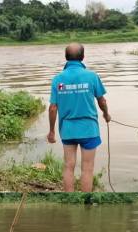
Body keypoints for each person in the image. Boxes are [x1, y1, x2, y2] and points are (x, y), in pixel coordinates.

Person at [47, 43, 111, 192]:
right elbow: (102, 101)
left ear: (66, 57)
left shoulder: (58, 79)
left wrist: (51, 131)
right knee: (87, 169)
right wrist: (106, 114)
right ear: (83, 57)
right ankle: (85, 202)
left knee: (68, 166)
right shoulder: (92, 76)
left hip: (68, 130)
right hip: (89, 129)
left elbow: (52, 107)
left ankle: (70, 200)